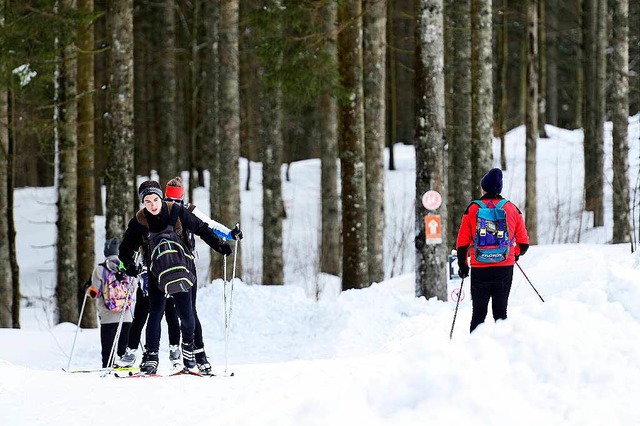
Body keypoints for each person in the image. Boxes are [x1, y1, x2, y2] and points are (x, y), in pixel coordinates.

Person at [119, 180, 232, 374]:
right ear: (142, 202)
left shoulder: (176, 211)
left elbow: (202, 228)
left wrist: (219, 245)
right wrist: (129, 265)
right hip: (156, 274)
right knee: (155, 314)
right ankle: (151, 357)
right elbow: (125, 248)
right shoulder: (140, 220)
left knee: (187, 317)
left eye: (155, 199)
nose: (152, 205)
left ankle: (189, 349)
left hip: (184, 271)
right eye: (147, 202)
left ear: (161, 197)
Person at [164, 176, 243, 374]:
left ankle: (198, 355)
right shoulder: (157, 210)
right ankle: (162, 356)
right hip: (162, 268)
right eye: (170, 200)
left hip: (185, 266)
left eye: (177, 201)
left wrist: (230, 235)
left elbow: (209, 226)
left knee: (189, 312)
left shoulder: (188, 210)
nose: (173, 204)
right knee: (165, 311)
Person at [455, 168, 529, 333]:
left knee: (478, 314)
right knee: (501, 313)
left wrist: (463, 265)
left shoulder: (472, 209)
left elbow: (462, 243)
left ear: (483, 188)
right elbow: (524, 244)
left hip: (480, 267)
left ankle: (474, 350)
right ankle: (503, 348)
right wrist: (513, 254)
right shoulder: (512, 209)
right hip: (504, 266)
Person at [119, 267, 183, 369]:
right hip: (146, 281)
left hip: (167, 279)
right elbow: (128, 256)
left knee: (172, 318)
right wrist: (126, 268)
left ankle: (175, 352)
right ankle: (132, 352)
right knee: (139, 320)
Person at [87, 238, 135, 368]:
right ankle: (125, 368)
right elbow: (132, 289)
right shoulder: (127, 268)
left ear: (105, 252)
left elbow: (94, 293)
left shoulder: (100, 269)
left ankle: (107, 368)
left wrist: (88, 289)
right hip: (126, 317)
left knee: (108, 350)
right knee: (123, 349)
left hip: (107, 317)